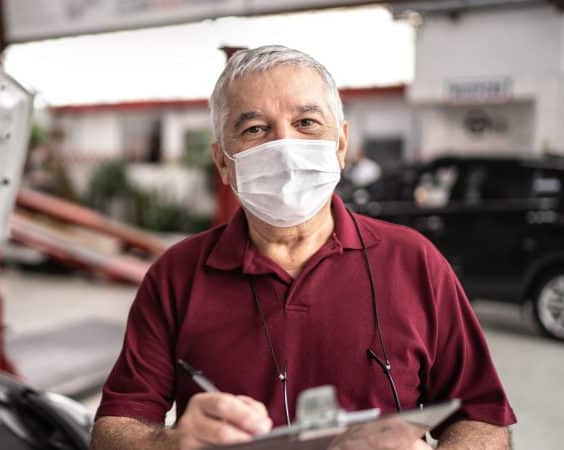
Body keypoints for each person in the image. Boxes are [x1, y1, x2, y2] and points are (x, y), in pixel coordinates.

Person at [89, 45, 515, 450]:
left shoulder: (415, 262)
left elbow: (484, 418)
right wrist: (173, 443)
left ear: (341, 144)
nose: (285, 148)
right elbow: (113, 430)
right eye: (255, 129)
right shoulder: (176, 275)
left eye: (307, 123)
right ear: (222, 161)